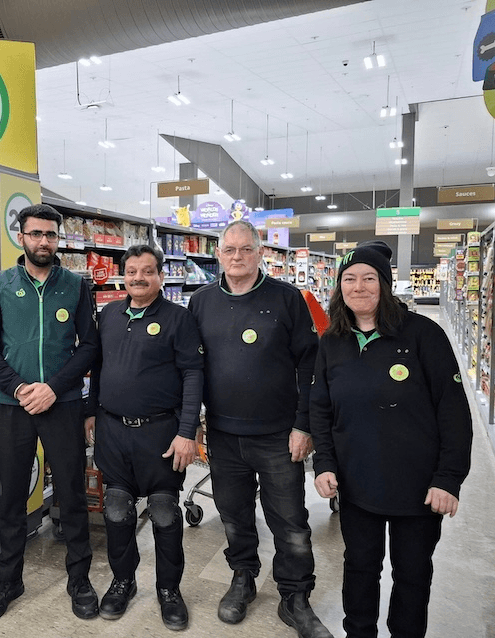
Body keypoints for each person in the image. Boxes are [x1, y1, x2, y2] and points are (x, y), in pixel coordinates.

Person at [310, 240, 472, 638]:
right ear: (339, 287)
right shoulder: (333, 341)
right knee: (360, 568)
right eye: (349, 279)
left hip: (418, 487)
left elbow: (453, 411)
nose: (358, 287)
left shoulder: (424, 335)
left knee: (412, 575)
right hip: (356, 482)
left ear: (385, 284)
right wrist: (325, 464)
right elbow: (320, 408)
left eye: (369, 278)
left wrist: (448, 478)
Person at [188, 220, 332, 638]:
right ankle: (243, 577)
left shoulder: (288, 299)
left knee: (289, 519)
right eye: (230, 250)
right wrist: (194, 423)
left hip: (277, 434)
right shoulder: (200, 302)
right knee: (233, 514)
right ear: (219, 253)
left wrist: (303, 424)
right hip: (222, 432)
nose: (237, 257)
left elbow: (311, 365)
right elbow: (192, 367)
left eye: (246, 250)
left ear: (260, 252)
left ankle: (295, 596)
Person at [0, 203, 100, 623]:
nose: (43, 241)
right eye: (36, 234)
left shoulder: (76, 286)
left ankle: (79, 578)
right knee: (12, 495)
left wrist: (54, 388)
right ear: (21, 237)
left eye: (50, 234)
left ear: (57, 238)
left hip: (61, 405)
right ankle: (9, 579)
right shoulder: (0, 284)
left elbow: (89, 346)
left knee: (71, 492)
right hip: (14, 406)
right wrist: (16, 386)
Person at [85, 244, 203, 631]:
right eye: (132, 271)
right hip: (113, 430)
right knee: (117, 510)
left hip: (161, 432)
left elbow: (192, 375)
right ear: (123, 275)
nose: (138, 277)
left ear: (160, 276)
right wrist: (91, 411)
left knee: (166, 513)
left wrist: (188, 432)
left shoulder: (178, 318)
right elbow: (99, 369)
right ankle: (123, 581)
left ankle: (169, 589)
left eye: (147, 271)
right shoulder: (110, 315)